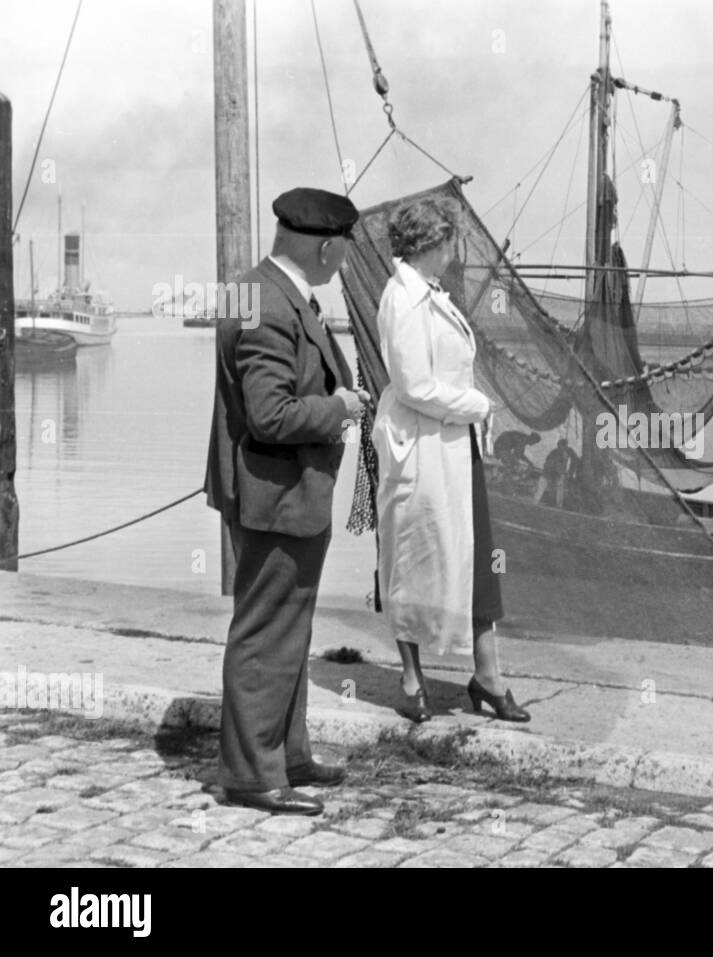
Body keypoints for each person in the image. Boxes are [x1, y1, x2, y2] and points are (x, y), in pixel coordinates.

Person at [204, 187, 367, 815]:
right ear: (326, 246)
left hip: (283, 492)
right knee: (265, 632)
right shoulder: (270, 305)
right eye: (344, 251)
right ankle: (250, 774)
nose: (344, 262)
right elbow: (271, 415)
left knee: (288, 630)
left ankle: (287, 755)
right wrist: (342, 408)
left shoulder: (271, 291)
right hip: (275, 493)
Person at [371, 196, 530, 724]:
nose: (452, 253)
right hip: (420, 448)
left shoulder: (433, 294)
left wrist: (468, 414)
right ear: (429, 244)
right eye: (448, 243)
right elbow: (413, 385)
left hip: (455, 447)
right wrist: (479, 404)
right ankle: (412, 677)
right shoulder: (402, 299)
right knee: (413, 560)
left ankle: (488, 676)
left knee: (477, 559)